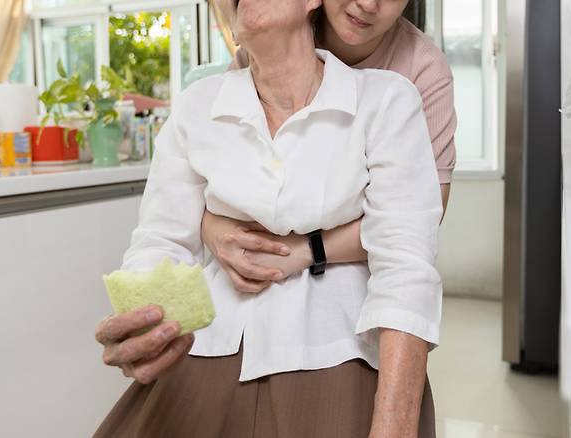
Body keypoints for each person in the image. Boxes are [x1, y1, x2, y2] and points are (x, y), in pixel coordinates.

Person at [94, 0, 443, 436]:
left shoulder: (387, 97)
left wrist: (394, 423)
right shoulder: (196, 106)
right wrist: (143, 326)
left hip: (339, 353)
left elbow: (405, 264)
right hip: (208, 352)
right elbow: (161, 240)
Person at [201, 0, 457, 294]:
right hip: (255, 290)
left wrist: (306, 251)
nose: (367, 4)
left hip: (359, 291)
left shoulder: (422, 70)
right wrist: (213, 229)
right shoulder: (276, 36)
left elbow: (421, 215)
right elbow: (214, 172)